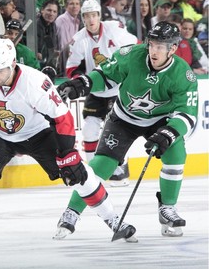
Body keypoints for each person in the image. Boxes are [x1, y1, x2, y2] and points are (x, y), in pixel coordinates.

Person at [0, 37, 137, 249]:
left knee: (80, 173)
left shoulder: (35, 82)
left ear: (12, 64)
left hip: (38, 133)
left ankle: (113, 220)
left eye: (0, 69)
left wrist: (67, 153)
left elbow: (62, 118)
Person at [55, 21, 198, 239]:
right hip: (123, 118)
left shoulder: (183, 74)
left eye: (161, 46)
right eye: (152, 44)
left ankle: (167, 208)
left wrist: (168, 134)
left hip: (160, 121)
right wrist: (83, 83)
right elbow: (105, 75)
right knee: (102, 164)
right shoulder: (131, 54)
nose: (154, 50)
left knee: (176, 152)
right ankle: (71, 212)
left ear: (173, 48)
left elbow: (187, 115)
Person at [66, 0, 138, 191]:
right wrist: (81, 81)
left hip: (119, 88)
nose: (91, 19)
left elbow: (136, 46)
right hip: (96, 89)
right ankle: (92, 173)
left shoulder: (114, 28)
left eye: (94, 15)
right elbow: (71, 67)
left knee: (118, 131)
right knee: (89, 129)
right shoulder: (79, 39)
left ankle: (120, 167)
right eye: (87, 16)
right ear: (82, 18)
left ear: (99, 16)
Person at [37, 0, 60, 69]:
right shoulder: (36, 24)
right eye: (49, 10)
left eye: (54, 11)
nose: (51, 14)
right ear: (42, 10)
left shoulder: (53, 25)